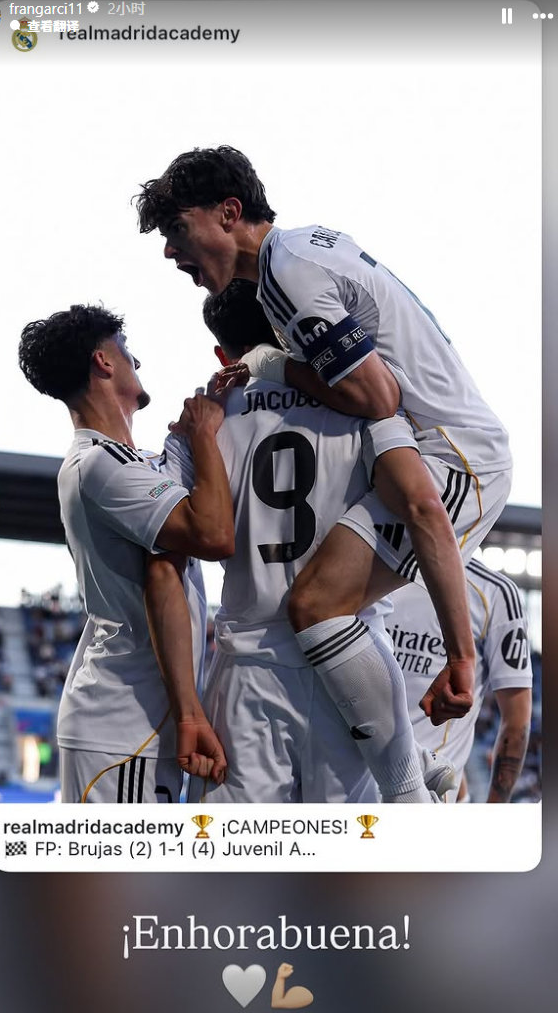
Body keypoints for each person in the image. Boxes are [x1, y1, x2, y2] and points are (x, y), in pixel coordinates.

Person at [135, 146, 511, 795]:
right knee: (327, 611)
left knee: (318, 605)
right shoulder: (305, 249)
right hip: (427, 446)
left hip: (456, 457)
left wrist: (269, 365)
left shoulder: (286, 275)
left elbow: (377, 396)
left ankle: (411, 787)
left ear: (228, 213)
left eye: (177, 229)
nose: (171, 251)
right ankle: (414, 772)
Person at [162, 280, 452, 803]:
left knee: (229, 850)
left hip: (249, 663)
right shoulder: (364, 403)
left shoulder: (201, 421)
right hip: (348, 660)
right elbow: (421, 502)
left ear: (223, 356)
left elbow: (168, 547)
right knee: (355, 846)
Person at [18, 303, 234, 802]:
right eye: (127, 351)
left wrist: (203, 415)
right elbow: (213, 535)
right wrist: (203, 434)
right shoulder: (98, 464)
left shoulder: (124, 462)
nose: (137, 362)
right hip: (121, 725)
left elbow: (172, 469)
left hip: (133, 724)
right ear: (104, 361)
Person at [387, 558, 533, 803]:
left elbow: (516, 722)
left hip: (421, 793)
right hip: (367, 782)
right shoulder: (376, 566)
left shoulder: (493, 592)